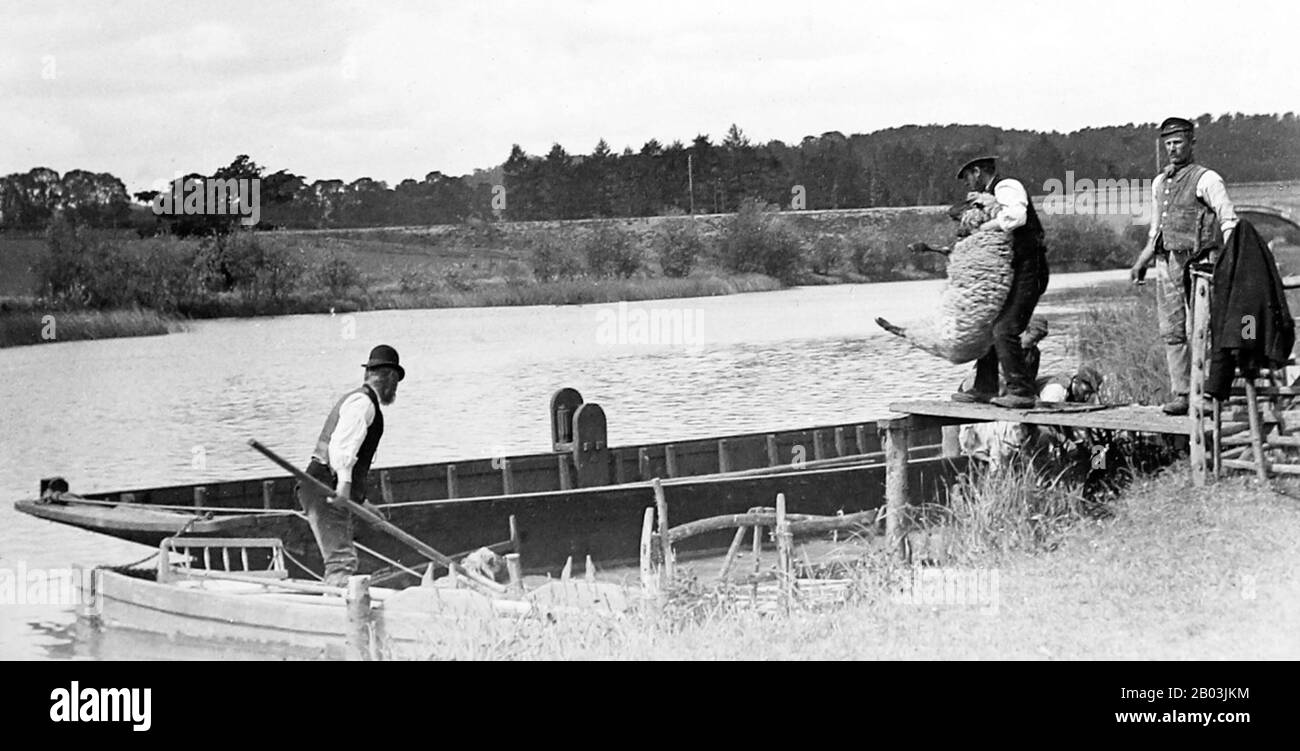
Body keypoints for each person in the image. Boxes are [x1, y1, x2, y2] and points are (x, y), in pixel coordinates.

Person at [1129, 116, 1238, 415]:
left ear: (1191, 142)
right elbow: (1156, 229)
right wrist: (1142, 261)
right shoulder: (1160, 182)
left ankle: (1207, 394)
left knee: (1201, 329)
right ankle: (1182, 392)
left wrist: (1232, 259)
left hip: (1200, 264)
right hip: (1167, 263)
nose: (1173, 149)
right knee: (1171, 331)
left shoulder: (1207, 179)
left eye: (1178, 142)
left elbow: (1228, 219)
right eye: (1168, 144)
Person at [298, 344, 405, 587]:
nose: (396, 388)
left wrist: (361, 502)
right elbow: (341, 449)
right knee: (341, 563)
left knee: (342, 560)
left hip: (323, 486)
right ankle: (341, 619)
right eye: (396, 382)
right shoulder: (363, 404)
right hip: (325, 488)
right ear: (389, 378)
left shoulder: (362, 400)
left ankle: (340, 607)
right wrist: (344, 488)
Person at [949, 155, 1049, 409]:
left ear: (978, 171)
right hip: (1017, 268)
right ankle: (985, 387)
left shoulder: (1007, 187)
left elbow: (1017, 217)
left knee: (1005, 329)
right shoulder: (990, 195)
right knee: (991, 324)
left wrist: (987, 227)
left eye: (968, 177)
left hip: (1030, 268)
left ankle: (1022, 392)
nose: (968, 184)